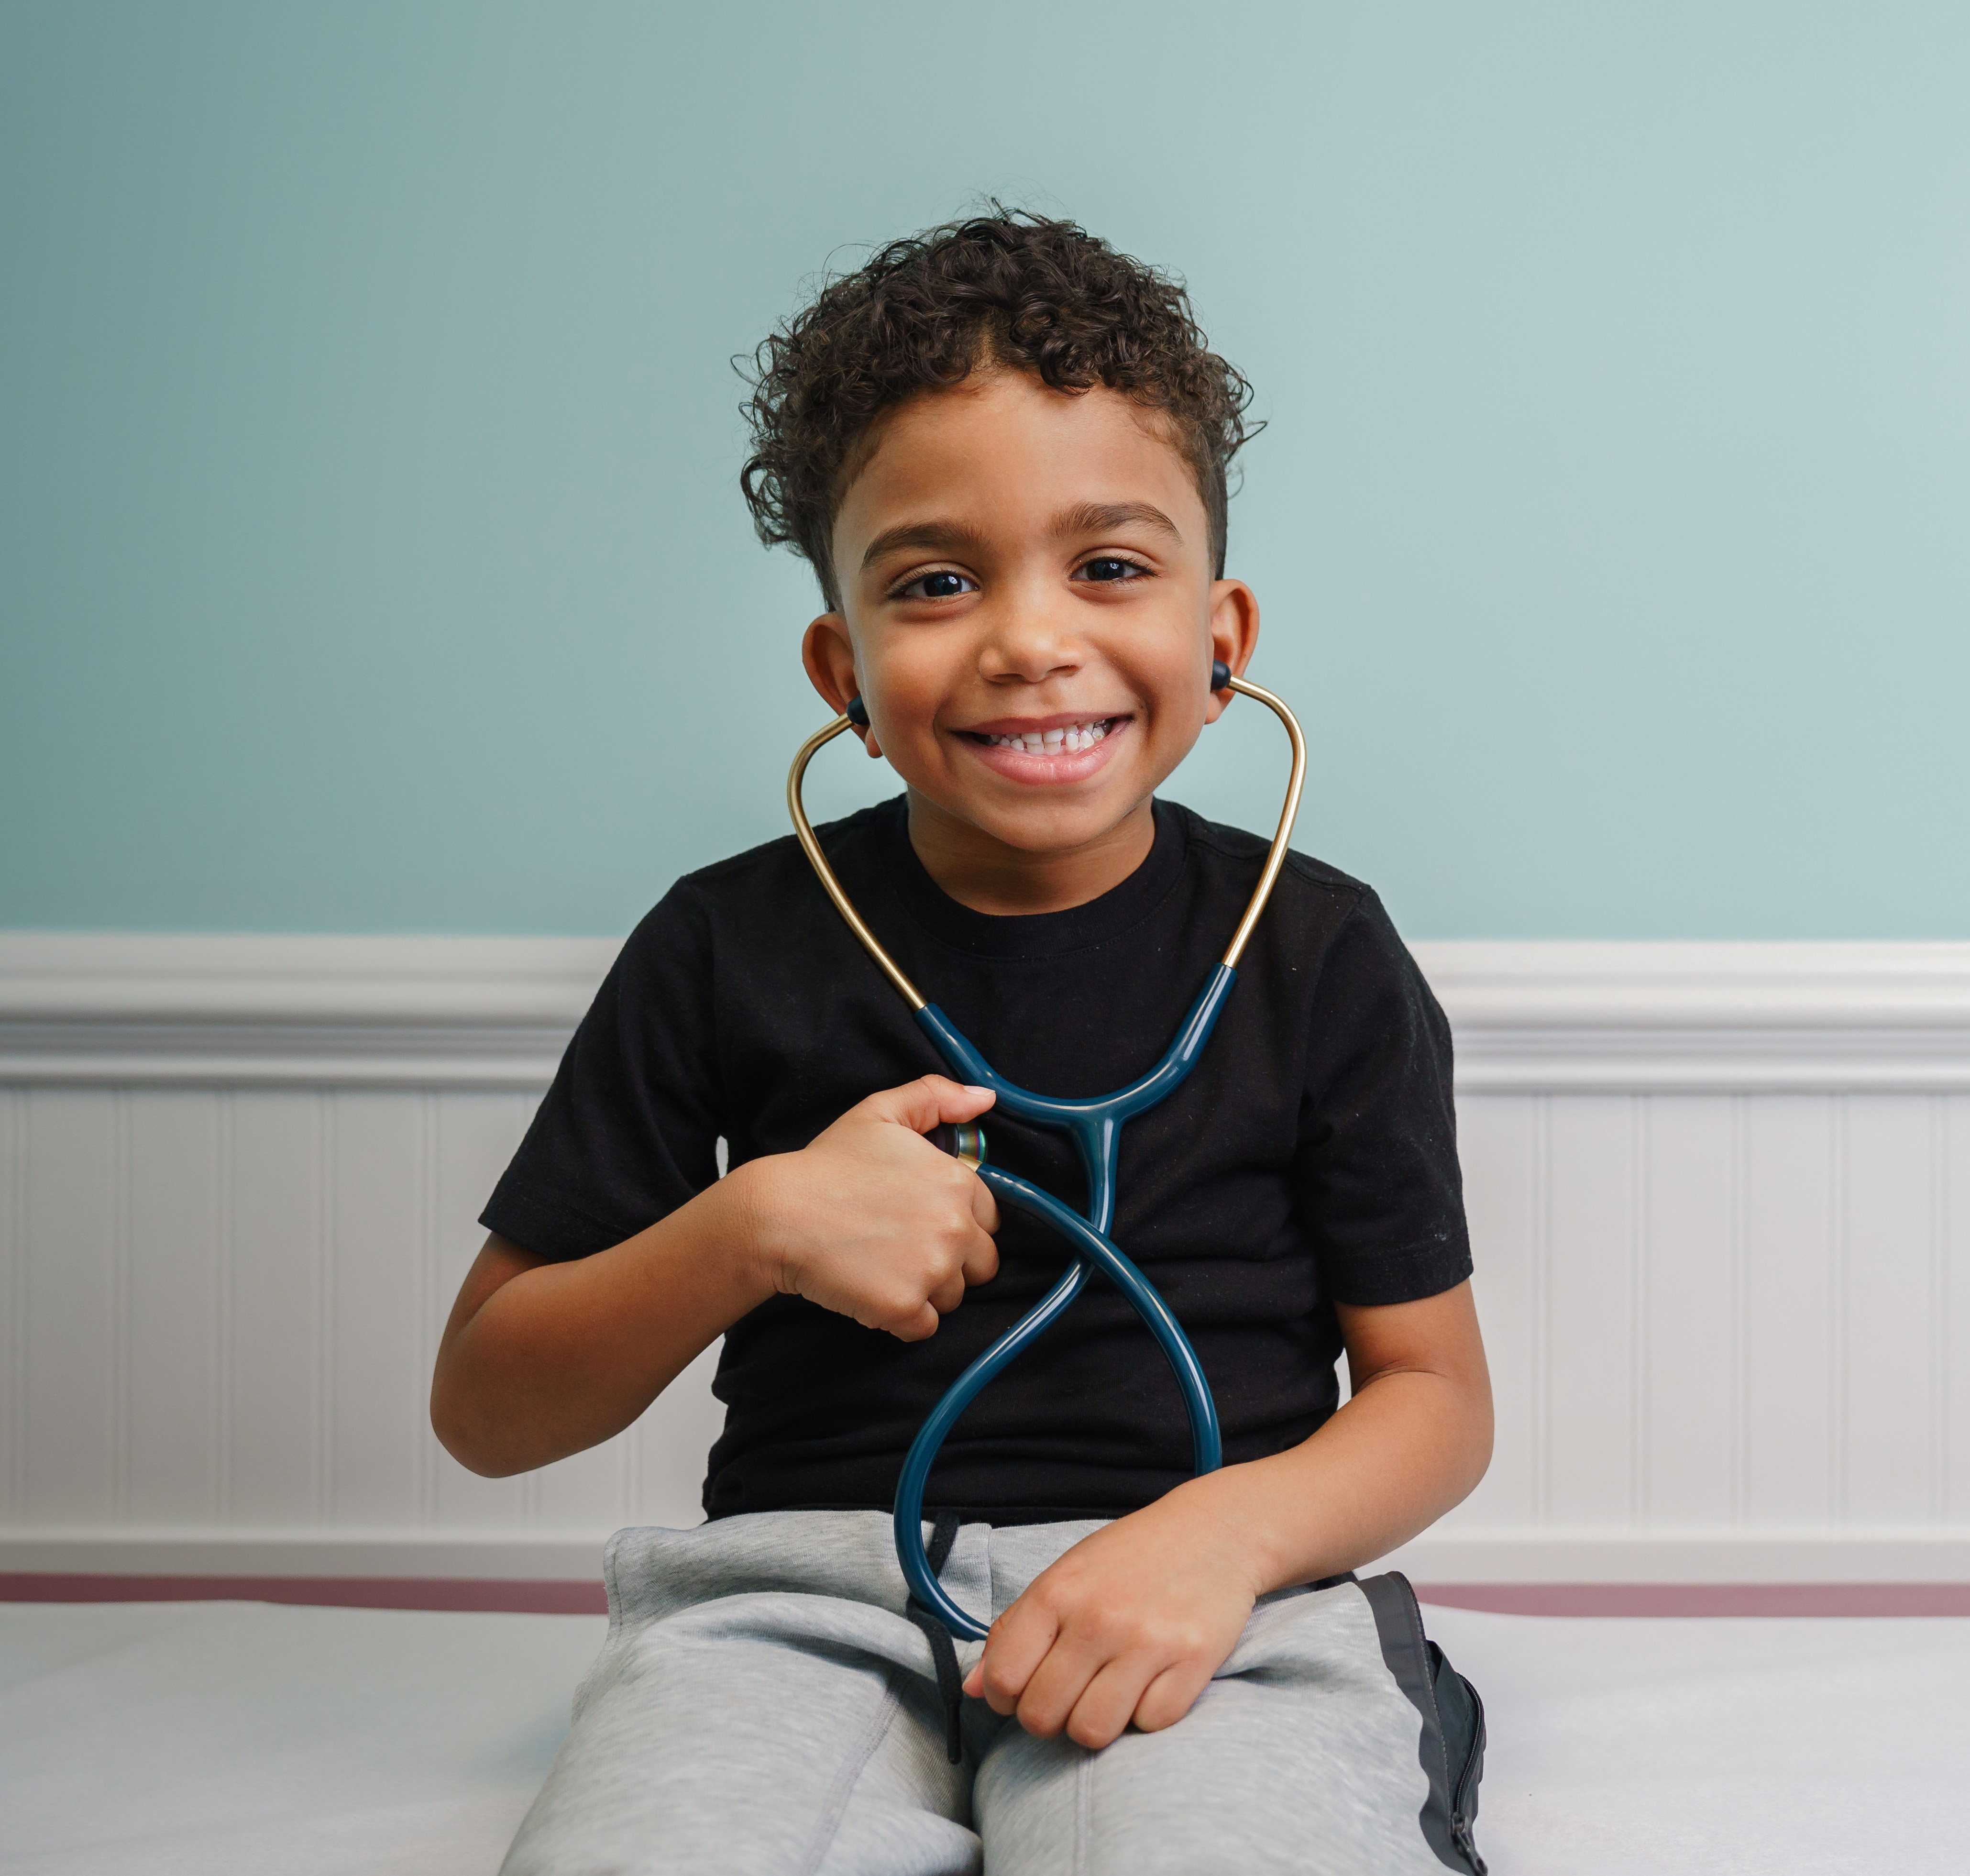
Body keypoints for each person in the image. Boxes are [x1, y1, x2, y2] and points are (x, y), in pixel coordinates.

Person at [430, 210, 1493, 1875]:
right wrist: (749, 1227)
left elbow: (1432, 1395)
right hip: (797, 1605)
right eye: (937, 580)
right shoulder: (725, 943)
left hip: (1198, 1595)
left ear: (1224, 643)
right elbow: (488, 1405)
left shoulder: (1316, 949)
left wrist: (1221, 1543)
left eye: (1112, 564)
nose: (1026, 636)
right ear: (842, 671)